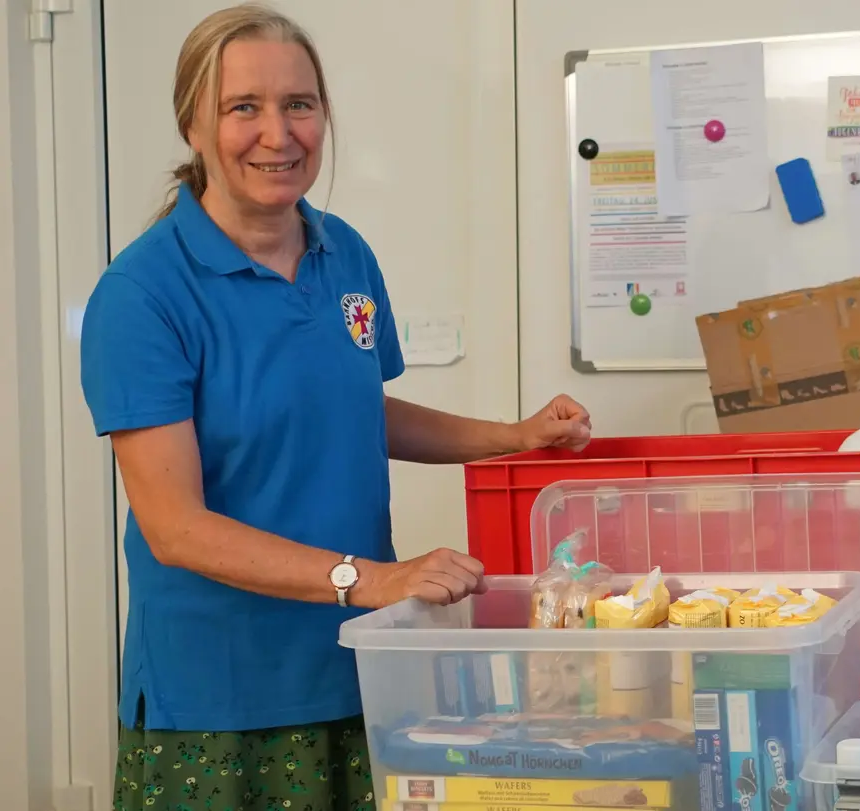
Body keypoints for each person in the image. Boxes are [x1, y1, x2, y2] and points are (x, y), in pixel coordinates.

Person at [78, 5, 592, 810]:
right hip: (220, 699)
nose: (278, 133)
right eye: (243, 107)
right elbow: (174, 527)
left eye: (300, 104)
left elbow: (356, 409)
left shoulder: (342, 250)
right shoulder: (143, 294)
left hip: (359, 667)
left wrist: (514, 436)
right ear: (193, 124)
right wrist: (374, 578)